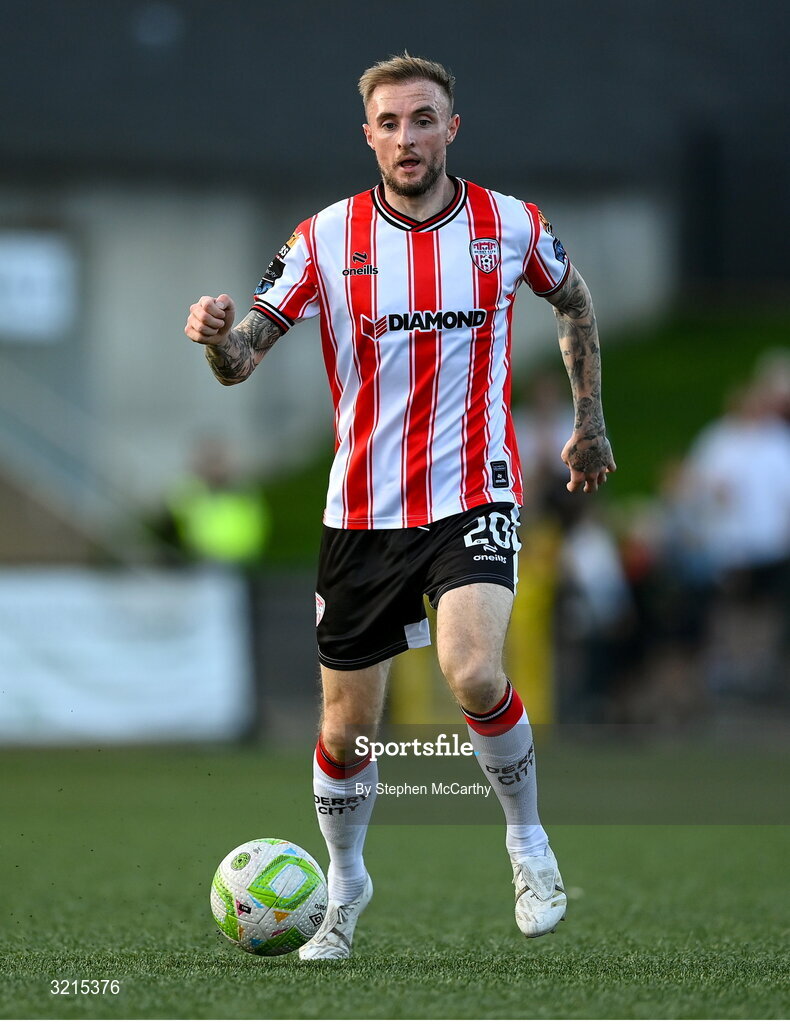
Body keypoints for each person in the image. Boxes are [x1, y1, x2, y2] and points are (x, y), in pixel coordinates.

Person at [184, 53, 615, 959]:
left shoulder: (508, 225)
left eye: (424, 119)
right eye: (391, 122)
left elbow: (574, 303)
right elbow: (243, 359)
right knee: (345, 730)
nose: (408, 137)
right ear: (369, 135)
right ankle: (343, 889)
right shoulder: (326, 239)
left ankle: (527, 844)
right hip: (363, 513)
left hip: (474, 490)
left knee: (472, 673)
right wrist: (220, 339)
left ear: (451, 128)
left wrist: (589, 423)